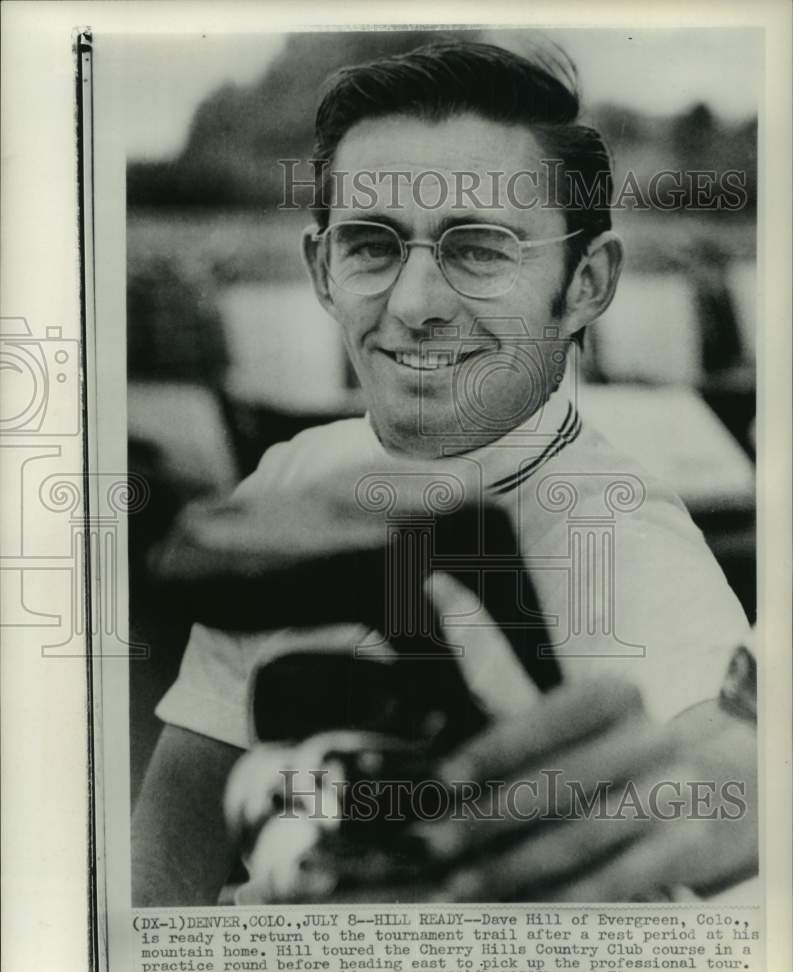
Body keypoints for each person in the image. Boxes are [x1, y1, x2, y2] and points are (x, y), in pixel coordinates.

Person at [132, 39, 756, 905]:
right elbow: (170, 842)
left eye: (480, 249)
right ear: (322, 271)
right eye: (370, 246)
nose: (415, 305)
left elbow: (723, 778)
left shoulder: (628, 536)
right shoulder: (293, 477)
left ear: (585, 282)